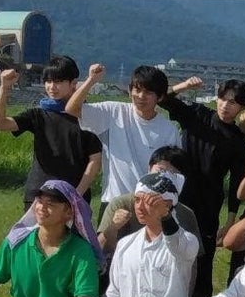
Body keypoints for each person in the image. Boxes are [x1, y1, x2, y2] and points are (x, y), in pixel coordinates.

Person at [160, 80, 245, 297]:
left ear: (241, 107)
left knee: (203, 258)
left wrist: (231, 219)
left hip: (208, 204)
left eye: (233, 103)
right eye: (223, 98)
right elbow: (164, 100)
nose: (225, 106)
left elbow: (236, 184)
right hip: (178, 196)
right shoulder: (197, 114)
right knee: (168, 251)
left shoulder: (237, 142)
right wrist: (183, 86)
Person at [0, 61, 106, 205]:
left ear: (73, 83)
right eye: (48, 81)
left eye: (58, 81)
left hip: (73, 197)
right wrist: (4, 88)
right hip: (38, 196)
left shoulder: (87, 115)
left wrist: (77, 194)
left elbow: (95, 159)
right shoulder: (38, 114)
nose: (51, 87)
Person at [73, 64, 184, 205]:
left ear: (160, 97)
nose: (141, 96)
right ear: (130, 90)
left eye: (149, 92)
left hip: (151, 205)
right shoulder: (113, 112)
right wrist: (91, 80)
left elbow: (175, 172)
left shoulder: (169, 130)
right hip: (114, 202)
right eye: (137, 90)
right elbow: (73, 109)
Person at [97, 147, 199, 269]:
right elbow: (99, 249)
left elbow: (192, 262)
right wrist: (113, 227)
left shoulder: (185, 214)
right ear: (149, 169)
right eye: (160, 170)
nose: (164, 177)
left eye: (173, 174)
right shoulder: (121, 204)